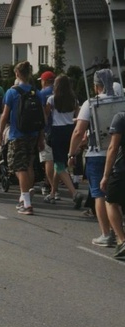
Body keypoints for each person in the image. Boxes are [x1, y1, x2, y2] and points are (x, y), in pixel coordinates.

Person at [70, 69, 118, 247]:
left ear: (97, 86)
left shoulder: (91, 103)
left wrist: (71, 152)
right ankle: (117, 230)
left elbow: (78, 131)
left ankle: (106, 234)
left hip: (97, 153)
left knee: (99, 194)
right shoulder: (120, 101)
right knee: (116, 194)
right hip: (118, 153)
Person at [0, 61, 45, 215]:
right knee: (28, 164)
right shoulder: (36, 92)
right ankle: (25, 194)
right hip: (33, 133)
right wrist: (41, 137)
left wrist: (0, 134)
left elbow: (5, 115)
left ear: (17, 74)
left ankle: (26, 202)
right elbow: (42, 116)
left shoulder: (12, 92)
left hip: (17, 134)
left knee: (18, 167)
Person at [43, 74, 84, 207]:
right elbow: (78, 115)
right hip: (70, 130)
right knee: (60, 163)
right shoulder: (74, 99)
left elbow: (47, 114)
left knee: (59, 165)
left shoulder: (52, 99)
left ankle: (74, 193)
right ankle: (53, 193)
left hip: (57, 131)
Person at [102, 112, 125, 259]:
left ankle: (122, 240)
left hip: (121, 169)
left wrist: (105, 175)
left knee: (110, 201)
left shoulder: (120, 117)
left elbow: (113, 147)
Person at [37, 71, 55, 197]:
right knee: (58, 160)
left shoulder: (43, 93)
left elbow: (43, 113)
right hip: (62, 129)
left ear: (46, 81)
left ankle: (50, 186)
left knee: (48, 159)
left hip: (48, 129)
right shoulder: (62, 92)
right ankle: (56, 185)